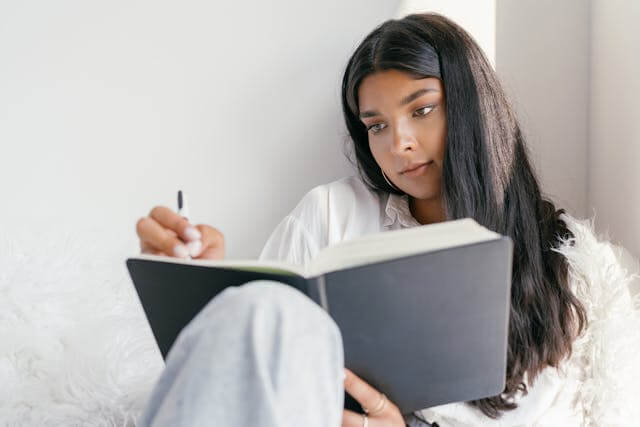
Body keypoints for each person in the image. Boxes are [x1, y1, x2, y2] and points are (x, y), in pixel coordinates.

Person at [134, 12, 640, 427]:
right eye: (376, 125)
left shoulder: (577, 268)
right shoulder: (332, 214)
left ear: (473, 107)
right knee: (262, 309)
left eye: (422, 111)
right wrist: (208, 284)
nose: (397, 144)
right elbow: (247, 381)